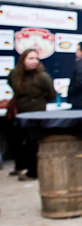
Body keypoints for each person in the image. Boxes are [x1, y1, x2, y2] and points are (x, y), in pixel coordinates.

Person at [7, 49, 56, 180]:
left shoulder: (42, 77)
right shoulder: (15, 74)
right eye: (31, 58)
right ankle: (20, 166)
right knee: (15, 140)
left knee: (32, 143)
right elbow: (12, 85)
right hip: (18, 113)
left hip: (35, 114)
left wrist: (36, 101)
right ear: (23, 60)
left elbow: (52, 94)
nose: (34, 62)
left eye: (36, 59)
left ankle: (33, 172)